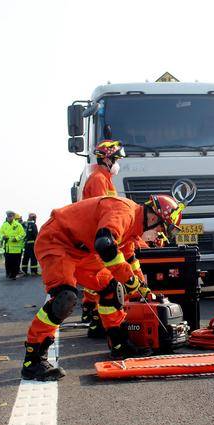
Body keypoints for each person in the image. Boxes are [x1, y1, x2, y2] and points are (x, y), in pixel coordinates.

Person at [20, 194, 183, 381]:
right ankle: (32, 361)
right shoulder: (124, 212)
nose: (160, 236)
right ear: (153, 217)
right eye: (162, 229)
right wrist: (130, 280)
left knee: (111, 290)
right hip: (58, 242)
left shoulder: (134, 227)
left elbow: (129, 258)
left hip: (84, 252)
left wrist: (142, 286)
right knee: (64, 299)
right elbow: (105, 245)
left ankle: (119, 344)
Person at [80, 139, 125, 336]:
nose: (117, 163)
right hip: (96, 238)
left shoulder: (104, 178)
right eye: (115, 159)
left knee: (102, 281)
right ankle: (98, 322)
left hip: (97, 237)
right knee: (104, 282)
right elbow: (102, 211)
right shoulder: (98, 180)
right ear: (107, 159)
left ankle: (96, 320)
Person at [0, 211, 26, 280]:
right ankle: (9, 273)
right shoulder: (4, 225)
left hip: (16, 249)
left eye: (11, 216)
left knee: (16, 263)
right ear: (7, 217)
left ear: (13, 217)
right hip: (7, 248)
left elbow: (23, 234)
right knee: (8, 262)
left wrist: (16, 238)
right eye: (8, 216)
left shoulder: (18, 225)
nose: (9, 218)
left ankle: (14, 275)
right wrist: (2, 237)